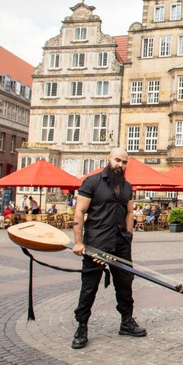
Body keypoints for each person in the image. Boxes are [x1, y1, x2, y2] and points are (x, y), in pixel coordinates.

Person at [71, 148, 146, 349]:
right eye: (117, 160)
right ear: (109, 160)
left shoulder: (127, 186)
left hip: (121, 243)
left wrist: (129, 235)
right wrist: (78, 242)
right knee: (89, 286)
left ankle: (126, 321)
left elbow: (129, 212)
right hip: (97, 243)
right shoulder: (92, 182)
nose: (120, 165)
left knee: (125, 284)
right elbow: (79, 212)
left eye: (124, 162)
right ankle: (82, 326)